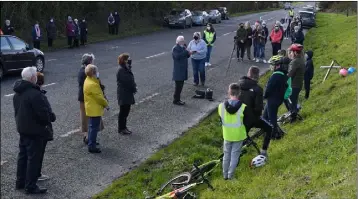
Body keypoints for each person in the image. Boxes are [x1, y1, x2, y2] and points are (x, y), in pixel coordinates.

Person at [13, 67, 54, 194]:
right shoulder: (35, 94)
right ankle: (30, 185)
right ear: (32, 78)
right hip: (35, 131)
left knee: (23, 156)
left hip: (23, 128)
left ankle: (20, 182)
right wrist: (50, 118)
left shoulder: (17, 92)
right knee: (33, 159)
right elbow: (43, 114)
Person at [218, 83, 254, 180]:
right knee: (235, 156)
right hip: (238, 135)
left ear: (229, 92)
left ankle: (225, 175)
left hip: (226, 134)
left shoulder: (221, 106)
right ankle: (231, 176)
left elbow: (221, 119)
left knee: (226, 155)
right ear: (239, 93)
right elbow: (247, 122)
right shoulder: (243, 107)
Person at [238, 66, 272, 157]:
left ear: (248, 74)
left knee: (240, 140)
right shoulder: (258, 89)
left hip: (239, 118)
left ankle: (235, 156)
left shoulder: (238, 85)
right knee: (269, 128)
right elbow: (258, 108)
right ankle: (264, 151)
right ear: (257, 76)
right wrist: (258, 115)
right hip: (252, 118)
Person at [35, 72, 55, 182]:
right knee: (39, 152)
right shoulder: (40, 96)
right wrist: (52, 116)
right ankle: (36, 174)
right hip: (40, 129)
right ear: (41, 83)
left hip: (27, 127)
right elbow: (47, 113)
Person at [84, 64, 108, 153]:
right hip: (94, 108)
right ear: (93, 72)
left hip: (90, 107)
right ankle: (92, 146)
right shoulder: (92, 84)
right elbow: (99, 97)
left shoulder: (88, 80)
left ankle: (90, 141)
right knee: (94, 128)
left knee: (91, 126)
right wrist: (106, 104)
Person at [263, 56, 289, 139]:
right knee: (265, 116)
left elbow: (268, 88)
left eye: (272, 65)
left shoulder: (275, 75)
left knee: (272, 118)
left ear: (277, 65)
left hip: (272, 100)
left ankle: (274, 135)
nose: (271, 66)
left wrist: (264, 96)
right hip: (278, 99)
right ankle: (269, 131)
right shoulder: (283, 74)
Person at [117, 53, 137, 135]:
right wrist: (133, 88)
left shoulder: (125, 68)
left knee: (126, 111)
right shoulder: (121, 70)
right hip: (124, 94)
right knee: (123, 112)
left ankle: (124, 127)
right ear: (125, 60)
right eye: (128, 59)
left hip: (127, 93)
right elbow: (127, 81)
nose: (130, 60)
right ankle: (121, 128)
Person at [287, 43, 305, 123]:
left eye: (291, 52)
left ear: (294, 52)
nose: (290, 54)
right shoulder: (301, 60)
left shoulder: (294, 62)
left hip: (294, 85)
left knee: (291, 101)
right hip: (299, 84)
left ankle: (293, 117)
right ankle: (294, 114)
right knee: (294, 100)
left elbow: (289, 74)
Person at [78, 53, 94, 144]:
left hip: (87, 97)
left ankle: (90, 136)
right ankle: (86, 137)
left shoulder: (85, 71)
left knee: (90, 117)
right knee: (85, 118)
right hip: (85, 98)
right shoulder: (83, 72)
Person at [172, 36, 190, 105]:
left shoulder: (183, 47)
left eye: (183, 40)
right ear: (178, 42)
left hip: (183, 69)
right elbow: (177, 56)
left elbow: (187, 55)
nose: (183, 42)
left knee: (181, 85)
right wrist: (185, 51)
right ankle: (176, 100)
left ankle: (178, 99)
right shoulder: (175, 48)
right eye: (182, 41)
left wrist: (188, 52)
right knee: (178, 86)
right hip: (178, 71)